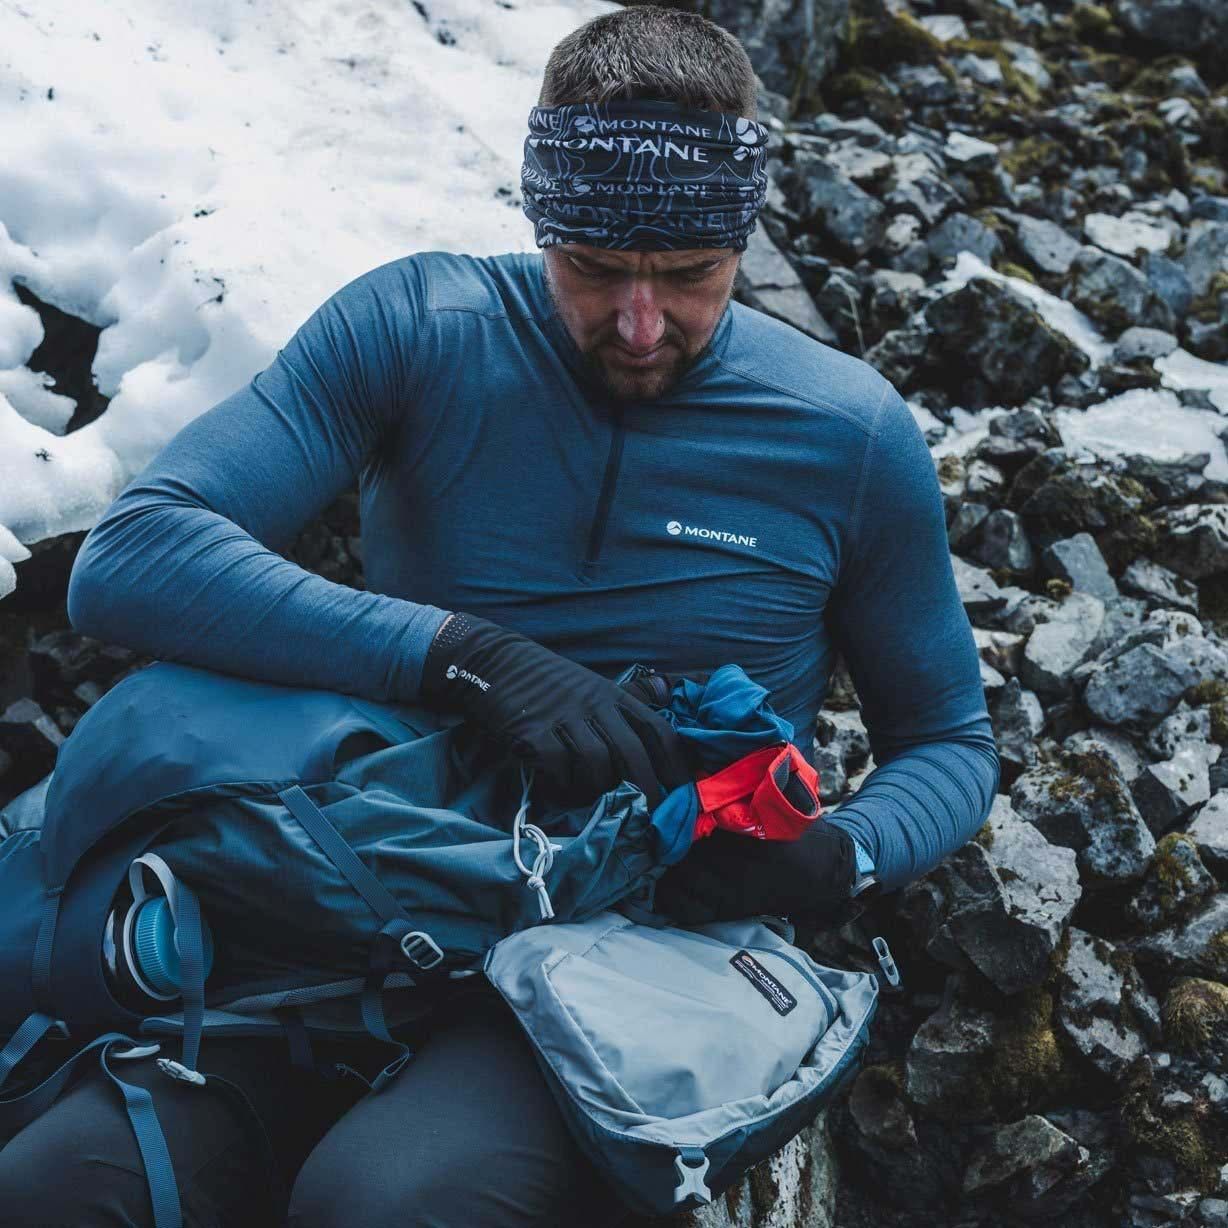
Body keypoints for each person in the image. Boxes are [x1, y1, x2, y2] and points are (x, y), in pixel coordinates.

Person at [0, 7, 1000, 1226]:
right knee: (57, 1187)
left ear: (744, 237)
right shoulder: (421, 331)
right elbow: (136, 554)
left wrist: (836, 855)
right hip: (359, 882)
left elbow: (949, 739)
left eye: (690, 274)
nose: (641, 323)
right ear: (538, 222)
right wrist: (463, 657)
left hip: (634, 946)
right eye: (594, 268)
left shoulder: (847, 434)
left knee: (384, 1200)